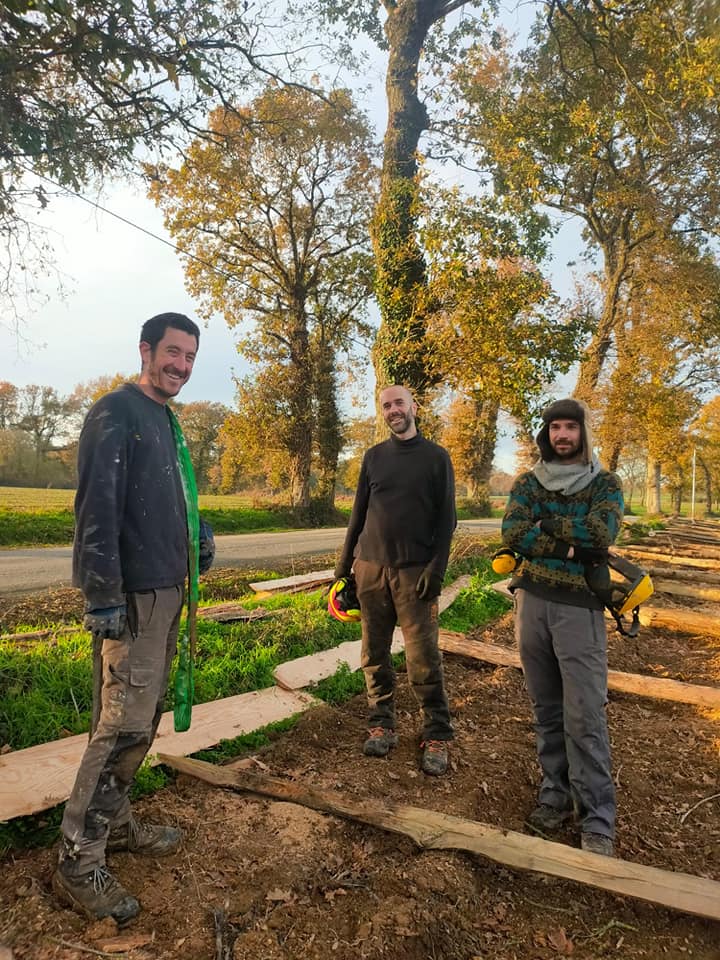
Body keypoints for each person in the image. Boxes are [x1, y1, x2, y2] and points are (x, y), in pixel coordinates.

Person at [53, 312, 214, 923]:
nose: (181, 366)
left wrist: (200, 532)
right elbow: (96, 511)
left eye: (190, 357)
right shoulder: (115, 412)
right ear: (145, 350)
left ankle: (115, 825)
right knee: (119, 728)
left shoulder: (165, 419)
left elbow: (174, 495)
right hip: (134, 600)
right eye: (172, 353)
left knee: (136, 723)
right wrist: (103, 598)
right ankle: (78, 856)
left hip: (167, 593)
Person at [501, 398, 624, 857]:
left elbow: (602, 533)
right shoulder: (528, 482)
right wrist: (572, 548)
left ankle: (597, 817)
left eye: (571, 427)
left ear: (583, 434)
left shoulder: (605, 483)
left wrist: (546, 527)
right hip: (532, 603)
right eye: (556, 428)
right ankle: (555, 793)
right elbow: (513, 532)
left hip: (579, 609)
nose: (563, 436)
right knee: (546, 708)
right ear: (546, 434)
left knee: (585, 715)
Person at [335, 385, 456, 776]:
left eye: (399, 403)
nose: (393, 410)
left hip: (413, 573)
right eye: (386, 406)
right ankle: (381, 723)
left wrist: (435, 572)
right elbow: (357, 517)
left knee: (423, 657)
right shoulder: (373, 457)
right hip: (370, 571)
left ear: (414, 407)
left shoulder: (436, 458)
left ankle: (436, 732)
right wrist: (342, 572)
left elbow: (446, 521)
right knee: (374, 654)